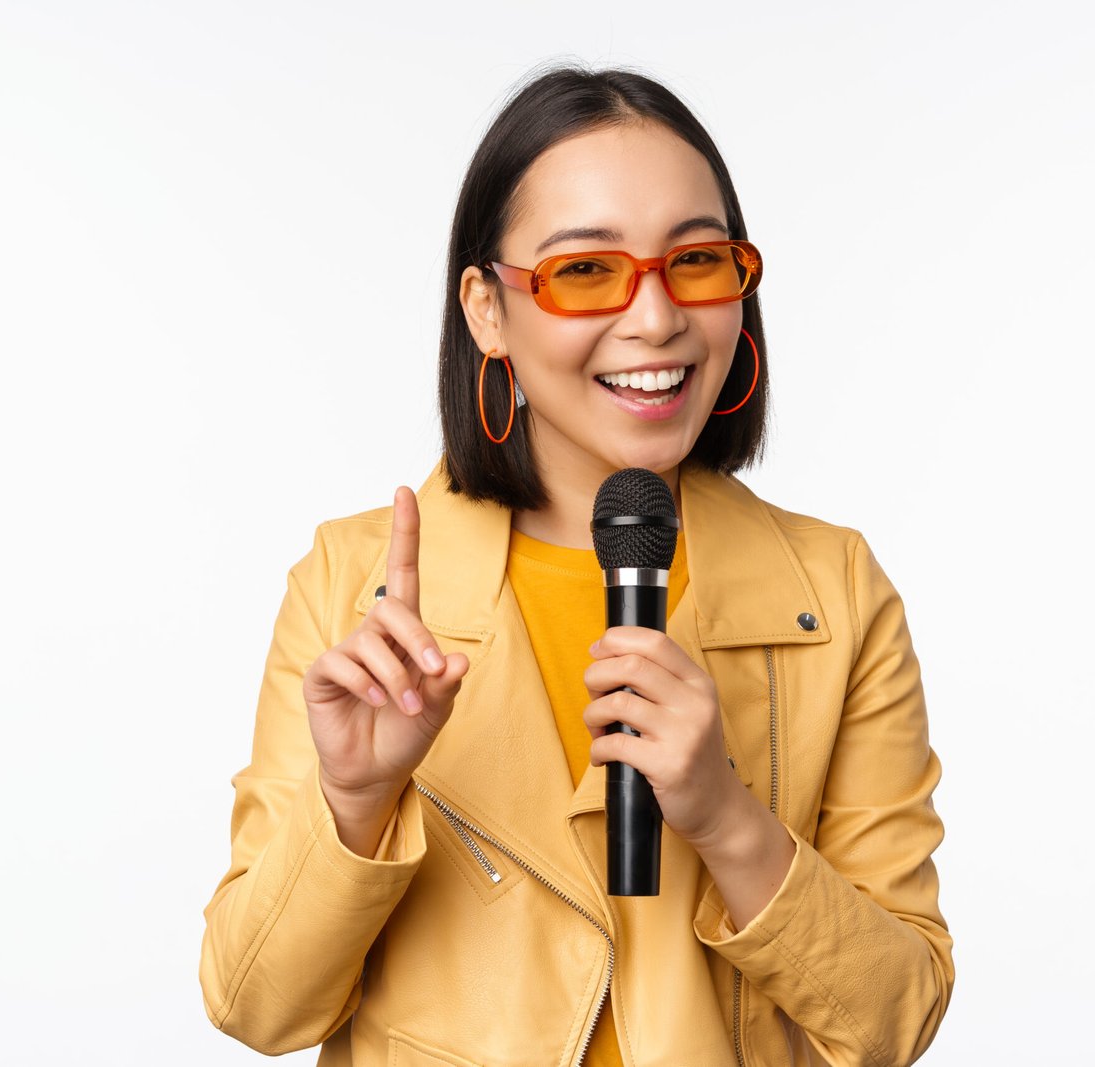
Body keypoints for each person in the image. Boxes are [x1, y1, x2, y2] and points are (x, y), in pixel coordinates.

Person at [199, 63, 954, 1067]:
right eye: (587, 271)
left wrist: (727, 819)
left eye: (696, 262)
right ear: (486, 310)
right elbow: (256, 1005)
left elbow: (892, 1020)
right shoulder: (353, 584)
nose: (654, 320)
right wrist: (352, 801)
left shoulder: (833, 591)